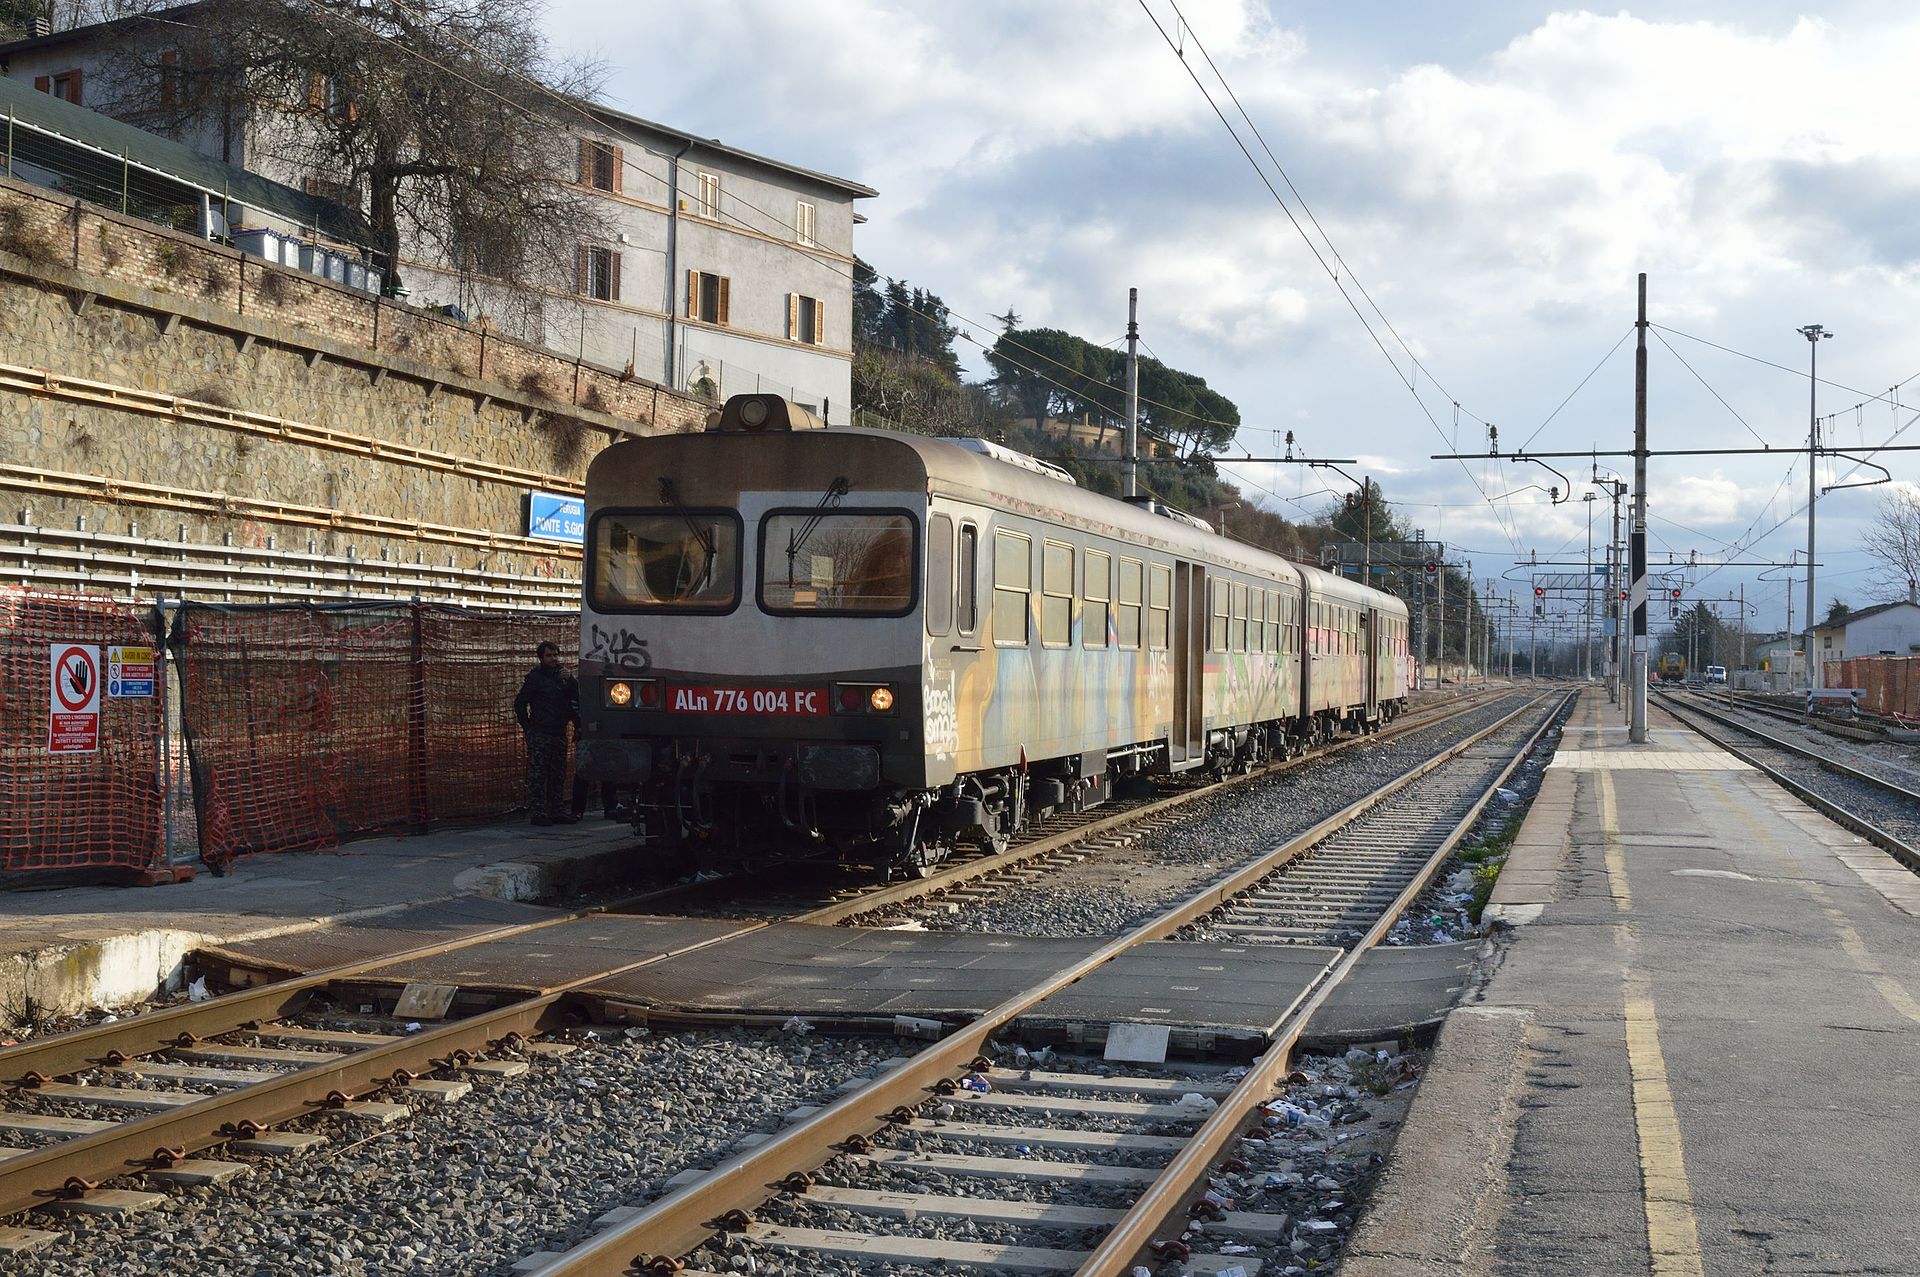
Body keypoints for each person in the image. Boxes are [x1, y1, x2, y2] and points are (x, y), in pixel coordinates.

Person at [513, 641, 578, 826]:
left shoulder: (564, 677)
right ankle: (538, 811)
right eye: (549, 655)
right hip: (540, 732)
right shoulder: (535, 678)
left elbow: (576, 699)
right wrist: (528, 727)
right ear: (541, 658)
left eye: (555, 655)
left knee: (558, 773)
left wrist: (572, 680)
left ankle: (556, 809)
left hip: (558, 732)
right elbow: (520, 703)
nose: (553, 659)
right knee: (538, 774)